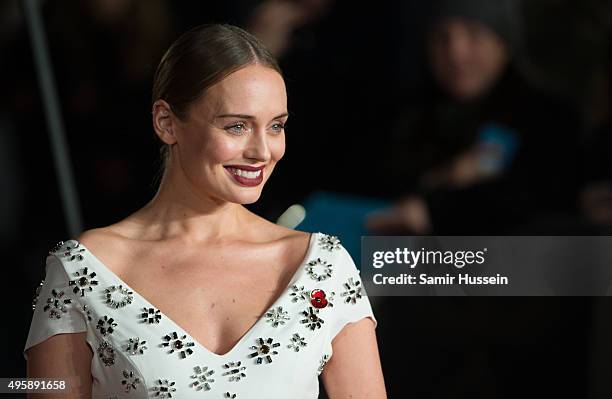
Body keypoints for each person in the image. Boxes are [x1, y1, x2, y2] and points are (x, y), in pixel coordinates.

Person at [24, 24, 385, 398]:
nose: (263, 151)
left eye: (276, 126)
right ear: (166, 122)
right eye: (237, 126)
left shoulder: (321, 266)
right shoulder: (84, 271)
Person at [367, 0, 583, 235]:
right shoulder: (407, 114)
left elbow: (541, 202)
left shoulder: (551, 119)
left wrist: (436, 210)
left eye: (474, 34)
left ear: (503, 43)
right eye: (442, 37)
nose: (456, 53)